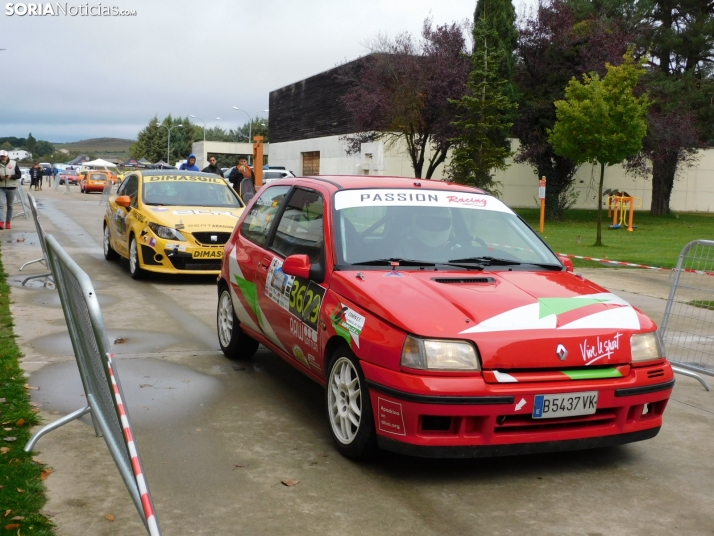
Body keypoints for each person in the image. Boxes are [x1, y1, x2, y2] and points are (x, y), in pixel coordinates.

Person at [0, 150, 21, 230]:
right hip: (1, 187)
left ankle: (8, 222)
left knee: (10, 205)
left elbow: (19, 175)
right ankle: (1, 222)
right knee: (0, 204)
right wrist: (0, 178)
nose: (2, 158)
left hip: (11, 187)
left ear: (7, 156)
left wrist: (11, 176)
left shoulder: (13, 163)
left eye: (4, 156)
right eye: (1, 156)